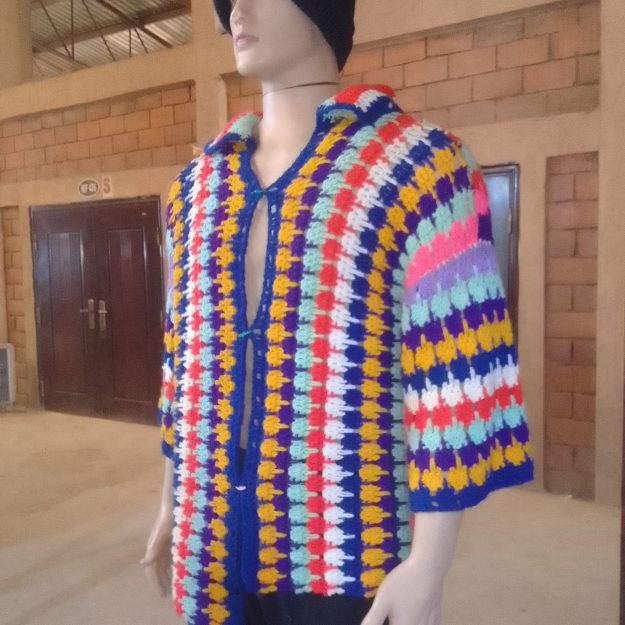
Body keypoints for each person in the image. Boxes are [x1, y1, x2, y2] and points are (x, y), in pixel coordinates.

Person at [141, 1, 535, 624]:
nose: (236, 10)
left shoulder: (420, 167)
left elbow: (454, 375)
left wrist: (429, 562)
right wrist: (171, 503)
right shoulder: (195, 186)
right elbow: (182, 365)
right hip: (208, 530)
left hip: (347, 533)